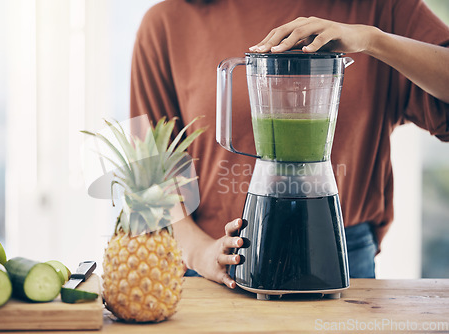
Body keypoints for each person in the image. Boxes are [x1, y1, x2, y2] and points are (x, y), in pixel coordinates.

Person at [129, 0, 449, 288]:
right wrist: (198, 251)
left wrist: (372, 39)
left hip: (343, 252)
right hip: (213, 255)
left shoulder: (383, 8)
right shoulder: (168, 21)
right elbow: (149, 167)